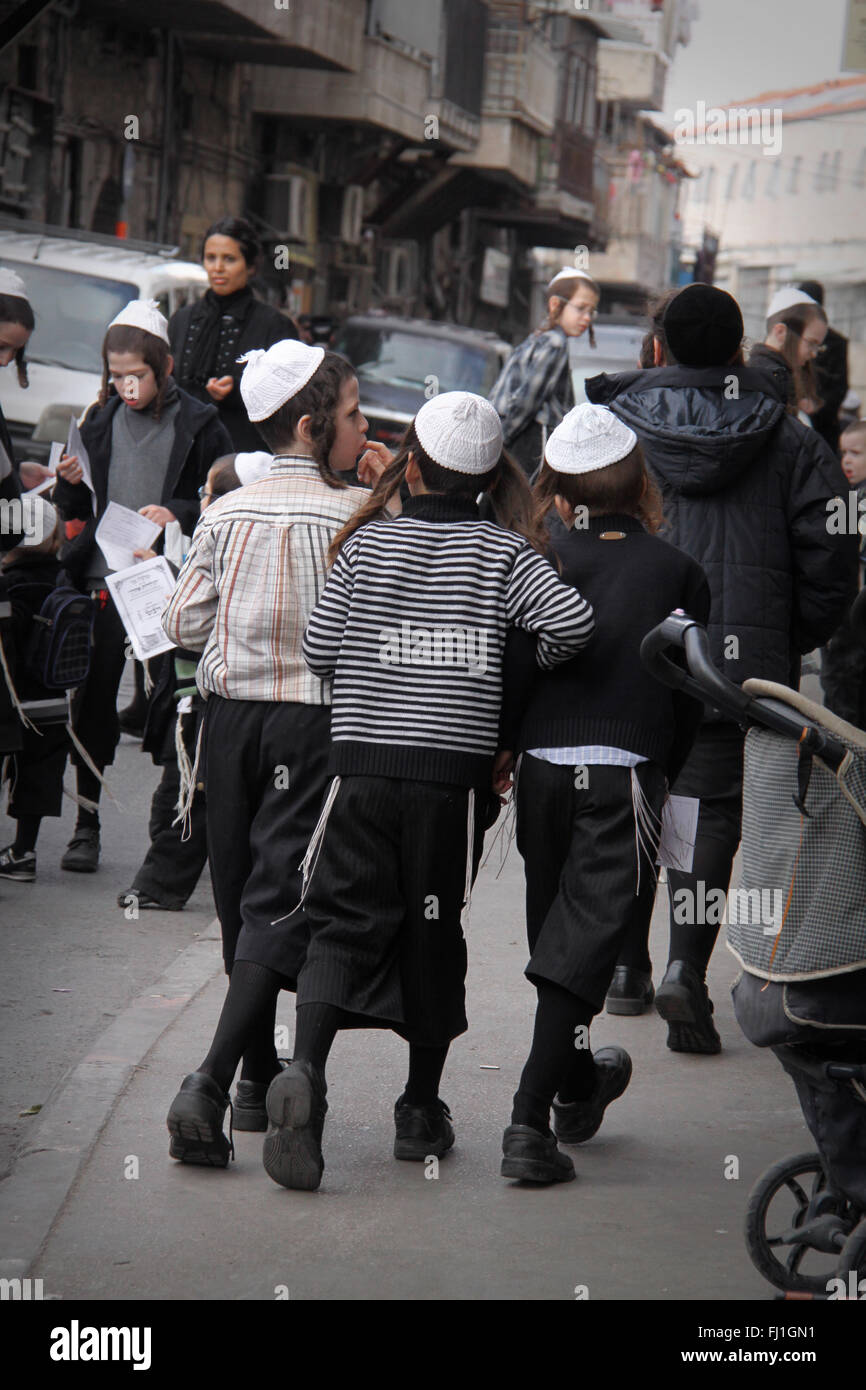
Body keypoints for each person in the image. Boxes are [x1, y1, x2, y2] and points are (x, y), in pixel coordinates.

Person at [253, 391, 596, 1194]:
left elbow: (318, 646)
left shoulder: (368, 545)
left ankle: (306, 1069)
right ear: (488, 478)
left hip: (362, 768)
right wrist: (507, 677)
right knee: (433, 929)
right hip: (452, 783)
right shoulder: (508, 555)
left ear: (412, 465)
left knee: (338, 924)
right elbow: (572, 627)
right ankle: (419, 1108)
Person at [587, 282, 857, 1054]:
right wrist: (781, 633)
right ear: (740, 350)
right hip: (737, 667)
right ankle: (682, 968)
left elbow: (567, 521)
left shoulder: (615, 424)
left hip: (629, 652)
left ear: (660, 346)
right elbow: (834, 550)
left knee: (634, 794)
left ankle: (627, 971)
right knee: (707, 809)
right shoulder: (791, 436)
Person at [162, 340, 392, 1162]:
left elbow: (182, 624)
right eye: (355, 413)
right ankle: (215, 1079)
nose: (365, 427)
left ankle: (253, 1079)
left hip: (231, 724)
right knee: (281, 895)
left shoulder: (224, 513)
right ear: (310, 424)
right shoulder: (359, 514)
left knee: (238, 897)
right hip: (313, 726)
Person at [501, 404, 710, 1184]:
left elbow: (516, 664)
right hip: (625, 773)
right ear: (638, 485)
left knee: (557, 934)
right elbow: (689, 690)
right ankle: (527, 1122)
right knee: (582, 943)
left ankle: (578, 1084)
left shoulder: (540, 555)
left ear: (557, 490)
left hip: (543, 771)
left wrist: (506, 747)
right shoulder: (678, 570)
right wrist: (668, 770)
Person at [52, 299, 231, 873]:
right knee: (93, 705)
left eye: (138, 376)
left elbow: (221, 498)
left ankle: (174, 826)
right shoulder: (96, 422)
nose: (127, 387)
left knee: (176, 706)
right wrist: (71, 486)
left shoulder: (201, 423)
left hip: (167, 587)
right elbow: (78, 508)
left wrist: (175, 512)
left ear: (165, 368)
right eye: (116, 376)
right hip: (106, 583)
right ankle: (86, 824)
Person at [118, 456, 244, 912]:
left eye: (207, 492)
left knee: (188, 793)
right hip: (192, 697)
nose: (201, 501)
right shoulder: (213, 537)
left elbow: (199, 618)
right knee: (180, 791)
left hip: (211, 696)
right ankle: (163, 883)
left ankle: (159, 885)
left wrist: (166, 576)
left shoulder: (232, 541)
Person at [168, 216, 298, 453]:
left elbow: (291, 398)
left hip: (244, 458)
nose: (218, 267)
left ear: (250, 267)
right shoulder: (182, 320)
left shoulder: (274, 326)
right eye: (211, 258)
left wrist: (239, 390)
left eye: (229, 259)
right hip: (183, 452)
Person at [0, 498, 69, 880]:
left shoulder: (10, 585)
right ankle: (23, 852)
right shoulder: (63, 579)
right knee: (40, 773)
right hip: (51, 696)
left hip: (9, 699)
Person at [489, 267, 600, 478]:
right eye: (580, 308)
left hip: (513, 432)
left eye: (591, 312)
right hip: (529, 438)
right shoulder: (555, 344)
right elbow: (527, 401)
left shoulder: (538, 338)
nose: (587, 318)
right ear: (555, 304)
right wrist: (500, 441)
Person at [821, 421, 866, 728]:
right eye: (843, 452)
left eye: (856, 453)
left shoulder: (852, 501)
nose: (846, 460)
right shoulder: (846, 499)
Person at [749, 286, 827, 422]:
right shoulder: (771, 379)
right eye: (811, 343)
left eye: (818, 347)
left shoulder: (775, 373)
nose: (814, 354)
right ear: (780, 332)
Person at [796, 280, 849, 454]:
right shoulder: (786, 338)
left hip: (822, 428)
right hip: (791, 423)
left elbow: (840, 386)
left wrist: (815, 405)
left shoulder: (835, 342)